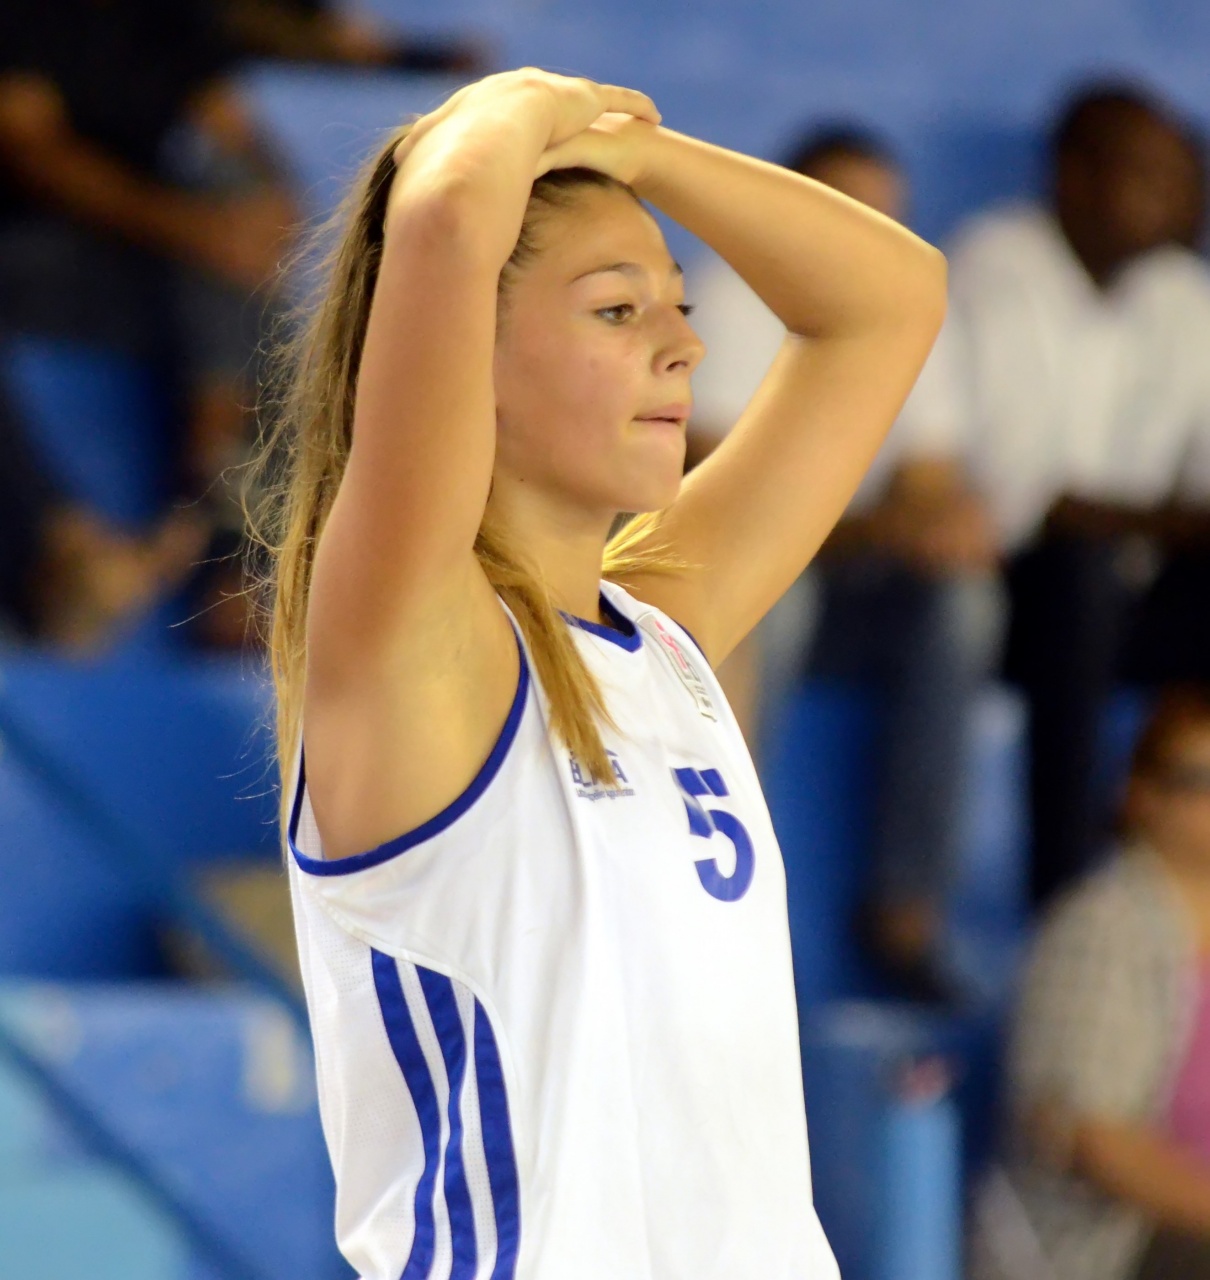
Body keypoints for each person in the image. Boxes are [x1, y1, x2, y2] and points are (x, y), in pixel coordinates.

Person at [251, 68, 945, 1275]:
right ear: (464, 354)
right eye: (618, 311)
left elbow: (891, 301)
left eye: (677, 304)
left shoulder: (662, 631)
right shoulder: (416, 643)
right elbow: (446, 211)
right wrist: (536, 102)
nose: (686, 345)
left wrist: (646, 154)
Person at [689, 126, 998, 997]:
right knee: (776, 597)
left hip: (852, 583)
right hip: (738, 576)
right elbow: (718, 490)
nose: (867, 231)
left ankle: (906, 908)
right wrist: (886, 524)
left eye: (884, 215)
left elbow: (928, 478)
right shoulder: (729, 297)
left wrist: (942, 521)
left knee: (964, 601)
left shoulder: (907, 305)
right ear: (788, 210)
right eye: (845, 209)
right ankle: (714, 881)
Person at [944, 83, 1210, 906]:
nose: (1178, 198)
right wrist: (1158, 521)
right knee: (1081, 573)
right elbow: (1033, 498)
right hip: (1015, 587)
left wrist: (1153, 522)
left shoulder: (1181, 291)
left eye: (1180, 179)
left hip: (1134, 585)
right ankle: (1060, 897)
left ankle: (1176, 859)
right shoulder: (996, 261)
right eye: (1150, 175)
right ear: (1075, 175)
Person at [971, 686, 1210, 1280]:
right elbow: (1091, 1138)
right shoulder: (1102, 924)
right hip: (1107, 1248)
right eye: (1199, 779)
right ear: (1140, 794)